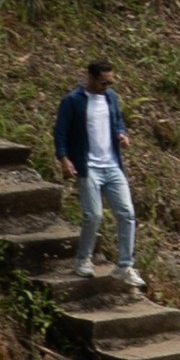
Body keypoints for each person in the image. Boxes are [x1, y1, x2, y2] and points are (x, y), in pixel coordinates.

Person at [54, 58, 141, 288]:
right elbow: (60, 133)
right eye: (103, 82)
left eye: (110, 83)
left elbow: (118, 121)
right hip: (88, 166)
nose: (107, 87)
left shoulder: (111, 98)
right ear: (90, 78)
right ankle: (83, 259)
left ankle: (124, 266)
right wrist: (64, 159)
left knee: (127, 213)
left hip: (112, 165)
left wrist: (121, 134)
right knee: (93, 215)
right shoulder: (73, 101)